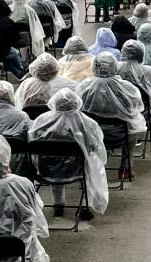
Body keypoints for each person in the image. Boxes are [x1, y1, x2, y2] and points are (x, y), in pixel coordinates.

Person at [30, 84, 110, 218]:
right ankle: (85, 207)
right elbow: (96, 148)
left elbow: (31, 142)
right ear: (76, 103)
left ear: (54, 103)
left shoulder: (41, 120)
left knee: (52, 159)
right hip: (77, 169)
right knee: (92, 162)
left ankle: (58, 204)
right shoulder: (87, 123)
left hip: (46, 170)